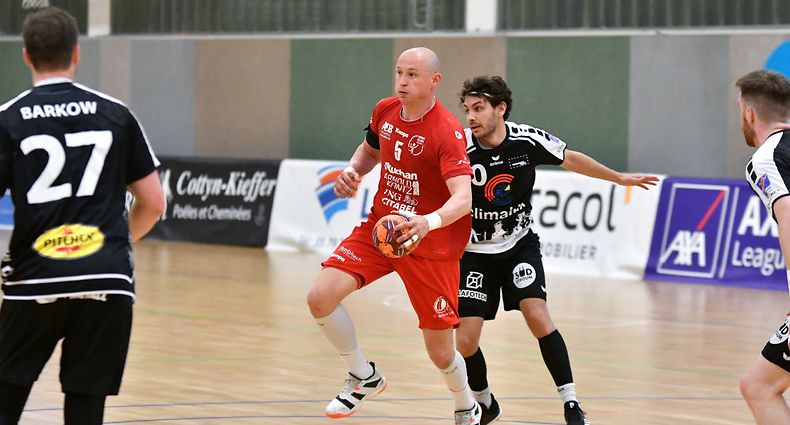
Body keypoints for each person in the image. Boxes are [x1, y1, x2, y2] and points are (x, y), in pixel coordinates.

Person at [455, 75, 658, 425]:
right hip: (474, 253)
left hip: (518, 246)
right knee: (465, 342)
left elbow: (570, 158)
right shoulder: (460, 149)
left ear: (500, 109)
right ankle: (485, 403)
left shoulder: (526, 140)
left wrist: (619, 178)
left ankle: (571, 404)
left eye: (478, 108)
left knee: (537, 315)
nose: (471, 117)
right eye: (467, 110)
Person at [0, 7, 165, 425]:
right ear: (76, 53)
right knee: (86, 409)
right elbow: (153, 203)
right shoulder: (116, 114)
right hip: (106, 278)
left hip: (35, 278)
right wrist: (114, 246)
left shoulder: (8, 119)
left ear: (26, 55)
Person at [306, 47, 482, 424]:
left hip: (431, 245)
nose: (402, 81)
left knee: (440, 353)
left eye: (412, 75)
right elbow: (369, 152)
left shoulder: (446, 131)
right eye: (399, 72)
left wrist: (426, 222)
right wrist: (352, 171)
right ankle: (363, 376)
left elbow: (464, 199)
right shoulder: (385, 110)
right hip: (382, 229)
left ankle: (466, 403)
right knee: (320, 297)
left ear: (434, 81)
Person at [736, 70, 790, 425]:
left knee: (759, 387)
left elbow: (788, 215)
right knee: (757, 384)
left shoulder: (766, 159)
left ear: (750, 114)